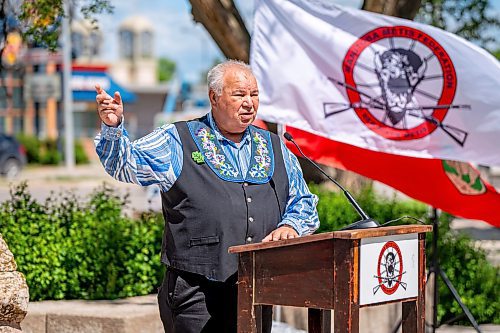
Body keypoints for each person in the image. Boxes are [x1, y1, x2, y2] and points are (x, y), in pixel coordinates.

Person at [94, 60, 319, 333]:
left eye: (254, 94)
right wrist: (113, 127)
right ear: (214, 97)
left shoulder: (276, 146)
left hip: (257, 290)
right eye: (239, 94)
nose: (249, 102)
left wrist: (291, 226)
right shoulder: (177, 139)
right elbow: (124, 165)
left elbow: (303, 202)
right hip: (195, 293)